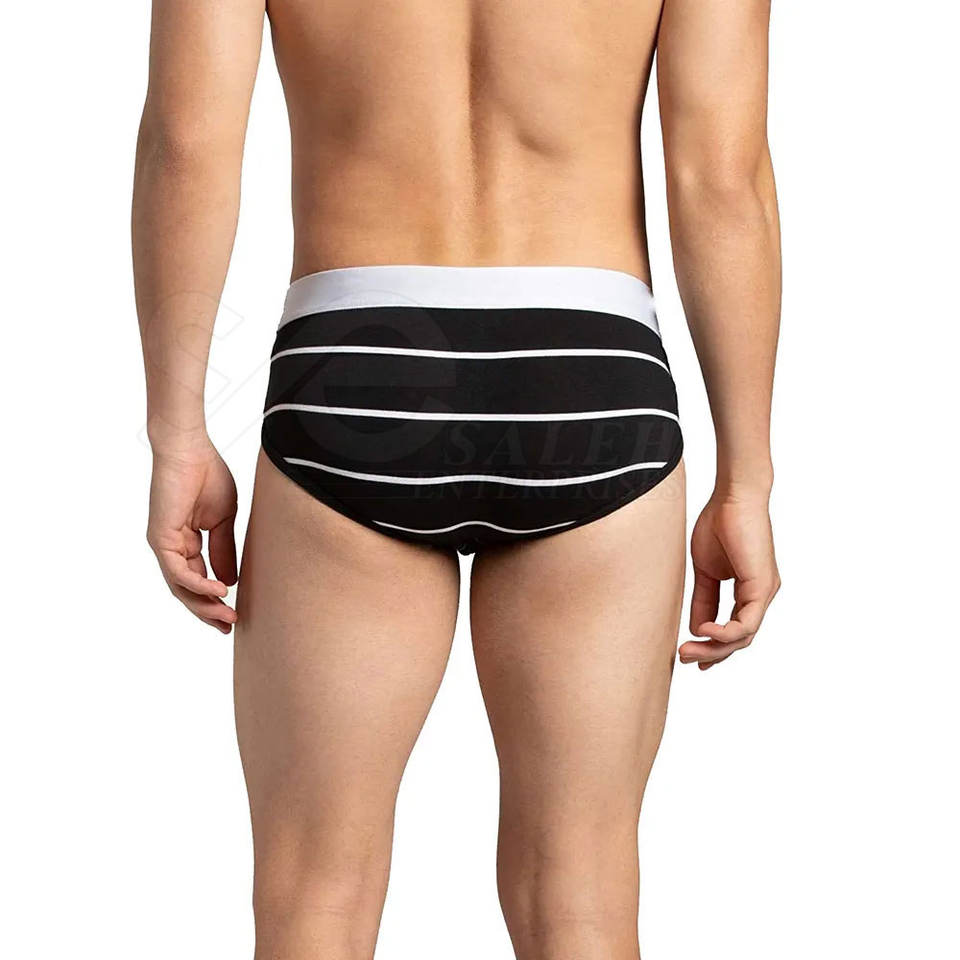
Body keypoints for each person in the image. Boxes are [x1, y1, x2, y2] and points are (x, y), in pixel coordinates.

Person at [133, 0, 781, 956]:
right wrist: (746, 478)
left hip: (357, 366)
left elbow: (188, 143)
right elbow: (721, 179)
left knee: (315, 891)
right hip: (589, 372)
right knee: (581, 893)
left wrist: (177, 431)